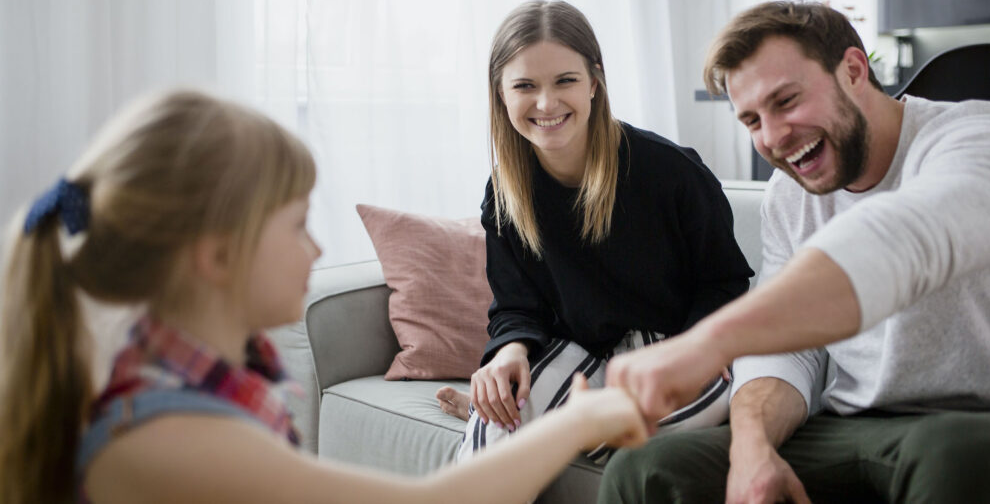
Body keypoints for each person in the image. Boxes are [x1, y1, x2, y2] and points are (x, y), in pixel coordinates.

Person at [0, 89, 649, 504]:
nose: (316, 250)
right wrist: (578, 420)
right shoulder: (162, 433)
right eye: (297, 224)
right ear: (218, 255)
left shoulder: (214, 373)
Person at [598, 0, 990, 503]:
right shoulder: (790, 194)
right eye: (752, 120)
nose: (774, 137)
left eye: (786, 101)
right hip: (853, 427)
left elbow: (903, 240)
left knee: (957, 456)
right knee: (648, 468)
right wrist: (752, 449)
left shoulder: (982, 137)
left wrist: (705, 343)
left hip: (988, 423)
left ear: (853, 70)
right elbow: (783, 352)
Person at [435, 0, 753, 464]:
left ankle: (549, 419)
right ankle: (525, 417)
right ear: (501, 94)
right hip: (578, 351)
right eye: (524, 85)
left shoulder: (671, 171)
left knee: (645, 437)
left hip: (677, 349)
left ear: (594, 83)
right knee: (495, 420)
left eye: (565, 80)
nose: (546, 103)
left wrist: (696, 352)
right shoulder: (505, 192)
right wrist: (508, 352)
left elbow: (725, 280)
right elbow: (517, 305)